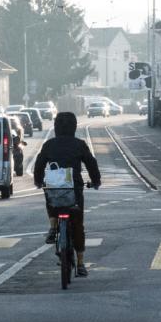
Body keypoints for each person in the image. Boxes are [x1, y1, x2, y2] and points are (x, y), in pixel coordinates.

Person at [33, 111, 101, 277]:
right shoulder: (79, 144)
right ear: (74, 127)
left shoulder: (49, 145)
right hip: (75, 188)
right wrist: (95, 181)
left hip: (55, 186)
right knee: (78, 225)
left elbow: (39, 165)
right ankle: (80, 263)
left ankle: (52, 226)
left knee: (51, 200)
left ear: (56, 127)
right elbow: (91, 164)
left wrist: (38, 181)